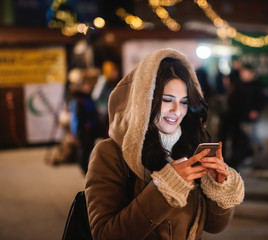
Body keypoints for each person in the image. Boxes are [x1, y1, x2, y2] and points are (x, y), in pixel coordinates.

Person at [85, 49, 244, 239]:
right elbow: (104, 235)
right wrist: (164, 188)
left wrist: (218, 189)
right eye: (167, 100)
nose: (177, 110)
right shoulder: (110, 152)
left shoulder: (191, 146)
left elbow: (213, 226)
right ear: (144, 101)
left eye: (184, 102)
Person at [218, 63, 265, 169]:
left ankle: (253, 156)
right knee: (240, 137)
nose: (242, 74)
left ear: (251, 73)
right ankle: (241, 157)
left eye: (245, 72)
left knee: (249, 136)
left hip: (248, 117)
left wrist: (255, 110)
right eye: (242, 72)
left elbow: (260, 100)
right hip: (237, 116)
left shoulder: (256, 85)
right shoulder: (239, 84)